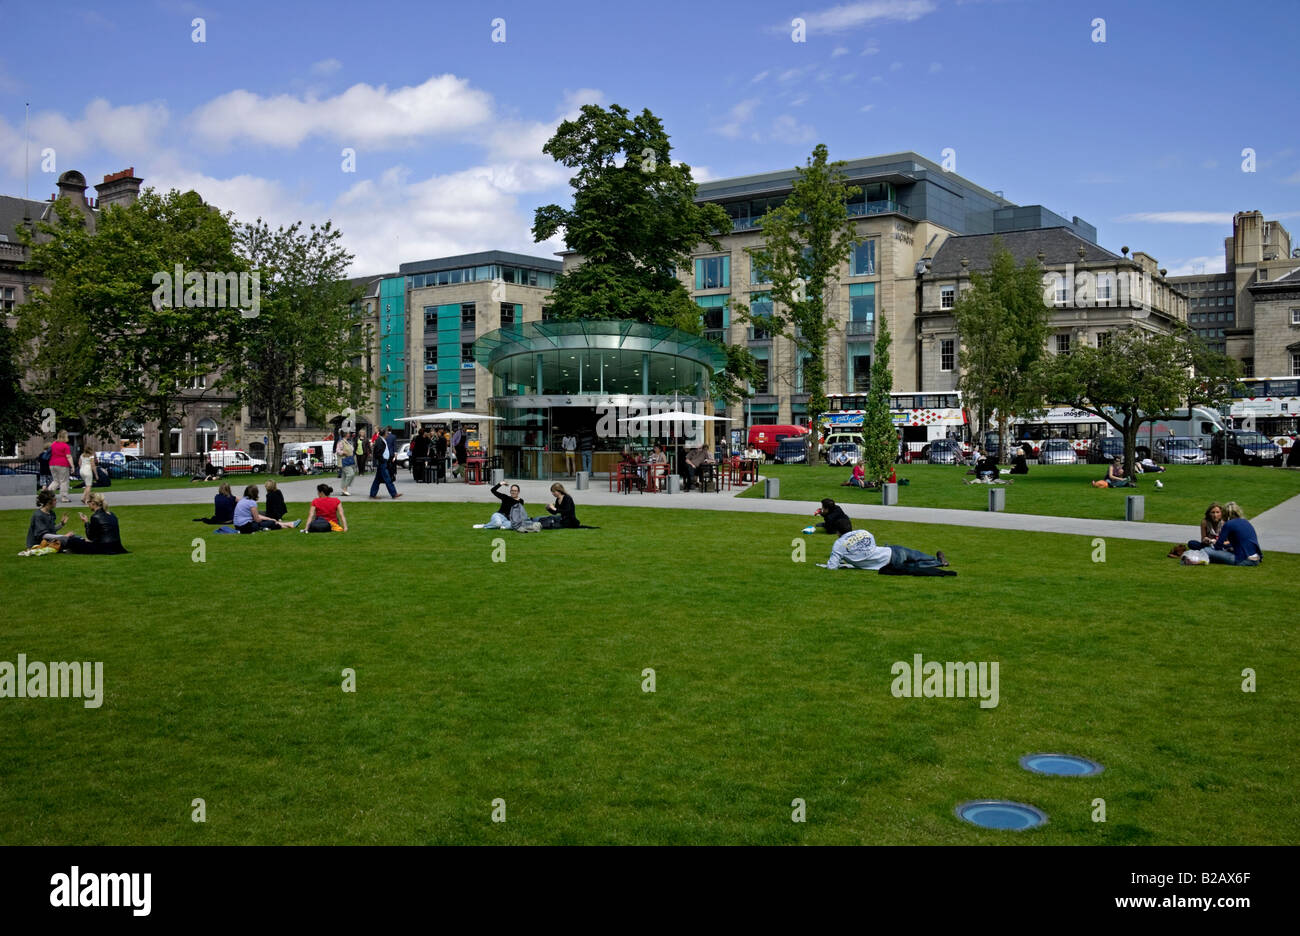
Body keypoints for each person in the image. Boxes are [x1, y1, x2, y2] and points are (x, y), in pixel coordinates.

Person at [817, 528, 949, 572]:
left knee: (915, 565)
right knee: (915, 554)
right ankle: (935, 558)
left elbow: (832, 567)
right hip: (891, 550)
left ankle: (938, 563)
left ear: (838, 532)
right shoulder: (863, 532)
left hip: (888, 561)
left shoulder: (839, 545)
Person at [43, 493, 129, 554]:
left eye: (88, 502)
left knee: (73, 540)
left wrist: (86, 523)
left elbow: (90, 537)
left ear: (93, 503)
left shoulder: (96, 517)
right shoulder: (111, 514)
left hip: (104, 547)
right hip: (116, 546)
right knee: (79, 540)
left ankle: (58, 547)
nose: (88, 505)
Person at [1203, 501, 1262, 566]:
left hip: (1243, 560)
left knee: (1206, 550)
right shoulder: (1246, 522)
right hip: (1256, 559)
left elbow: (1218, 546)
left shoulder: (1228, 524)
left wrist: (1213, 542)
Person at [233, 485, 299, 533]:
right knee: (270, 523)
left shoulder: (242, 500)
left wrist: (269, 518)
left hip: (238, 526)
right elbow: (257, 519)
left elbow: (256, 516)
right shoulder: (252, 503)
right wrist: (270, 520)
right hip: (245, 527)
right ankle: (288, 524)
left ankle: (289, 524)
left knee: (269, 521)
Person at [368, 430, 402, 499]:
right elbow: (377, 453)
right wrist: (383, 460)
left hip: (383, 462)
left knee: (377, 480)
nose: (387, 434)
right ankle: (394, 493)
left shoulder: (382, 440)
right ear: (383, 434)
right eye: (386, 433)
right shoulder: (380, 441)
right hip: (382, 463)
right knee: (387, 479)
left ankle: (372, 494)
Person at [47, 430, 73, 502]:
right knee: (64, 481)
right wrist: (72, 466)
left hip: (52, 464)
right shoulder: (65, 446)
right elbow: (68, 456)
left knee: (56, 481)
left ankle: (47, 495)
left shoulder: (53, 444)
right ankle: (64, 497)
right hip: (62, 464)